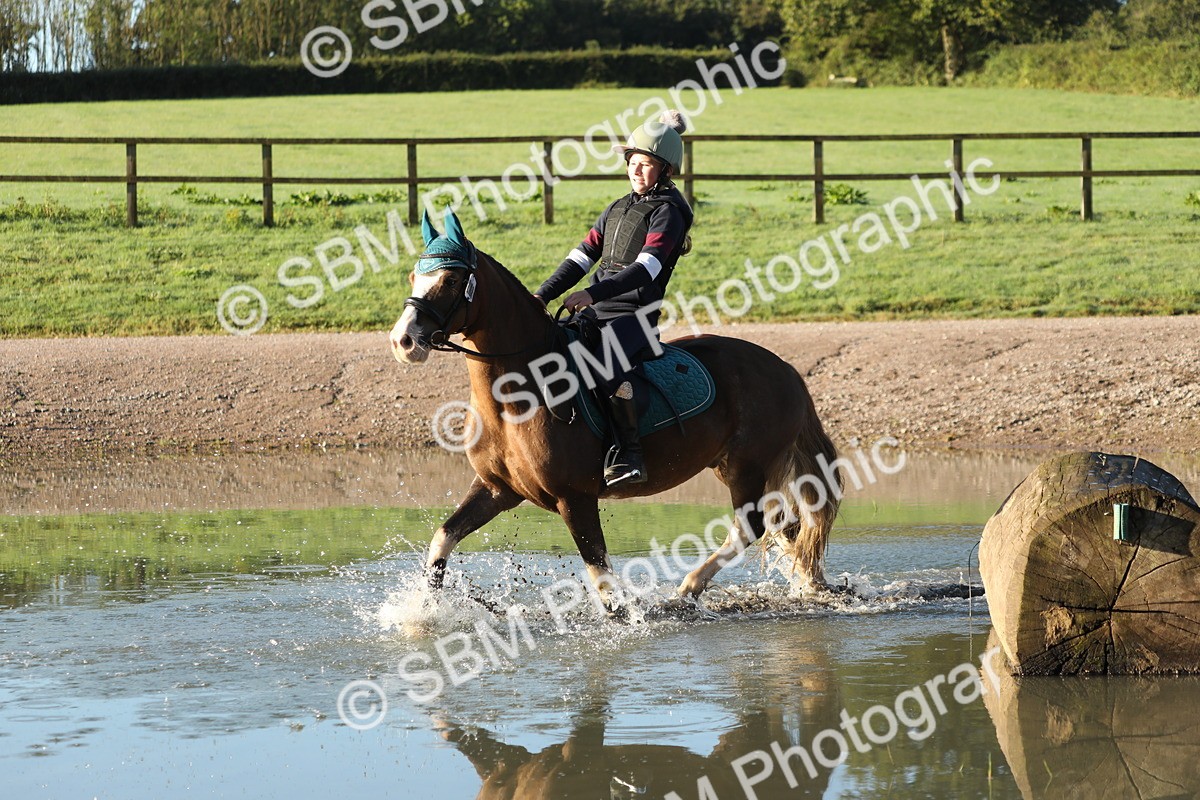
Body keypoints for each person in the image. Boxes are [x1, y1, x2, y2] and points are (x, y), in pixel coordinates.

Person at [533, 110, 694, 487]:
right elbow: (581, 257)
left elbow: (645, 269)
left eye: (646, 164)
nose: (636, 170)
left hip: (635, 317)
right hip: (597, 311)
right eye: (632, 161)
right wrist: (542, 295)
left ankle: (631, 454)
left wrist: (592, 293)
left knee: (604, 364)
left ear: (666, 170)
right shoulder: (618, 208)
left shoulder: (669, 212)